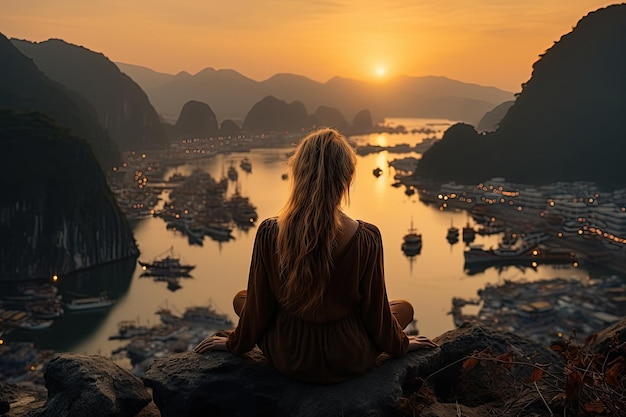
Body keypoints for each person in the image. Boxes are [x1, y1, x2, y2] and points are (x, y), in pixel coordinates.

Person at [194, 127, 438, 384]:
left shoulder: (269, 233)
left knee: (242, 299)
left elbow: (259, 307)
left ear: (297, 173)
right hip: (349, 357)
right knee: (403, 308)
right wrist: (401, 344)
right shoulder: (366, 238)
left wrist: (235, 343)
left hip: (288, 356)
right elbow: (374, 314)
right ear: (346, 178)